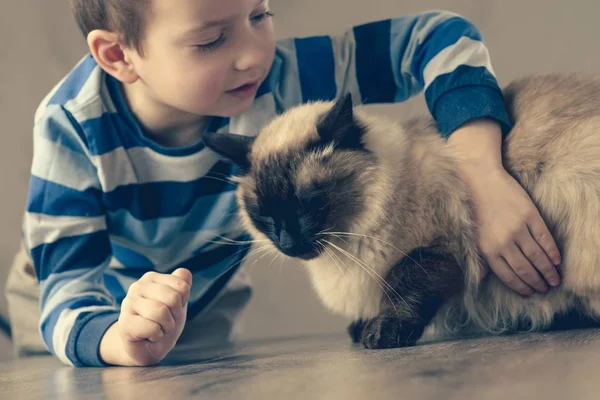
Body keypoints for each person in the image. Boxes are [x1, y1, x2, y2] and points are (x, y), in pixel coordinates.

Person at [5, 0, 561, 367]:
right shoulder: (70, 126)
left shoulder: (280, 77)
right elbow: (67, 292)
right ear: (118, 55)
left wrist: (482, 174)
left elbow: (441, 36)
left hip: (198, 302)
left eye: (259, 13)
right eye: (211, 40)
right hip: (77, 310)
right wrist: (116, 339)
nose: (252, 52)